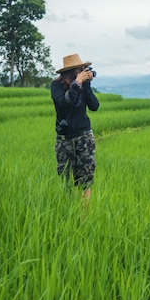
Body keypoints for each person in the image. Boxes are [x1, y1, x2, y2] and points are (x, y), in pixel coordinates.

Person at [51, 54, 100, 206]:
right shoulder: (56, 86)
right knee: (65, 180)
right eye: (80, 70)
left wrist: (87, 86)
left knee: (85, 180)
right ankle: (69, 212)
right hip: (64, 140)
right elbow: (66, 102)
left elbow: (94, 106)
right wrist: (77, 83)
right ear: (70, 72)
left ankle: (84, 216)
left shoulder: (83, 86)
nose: (83, 72)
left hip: (84, 138)